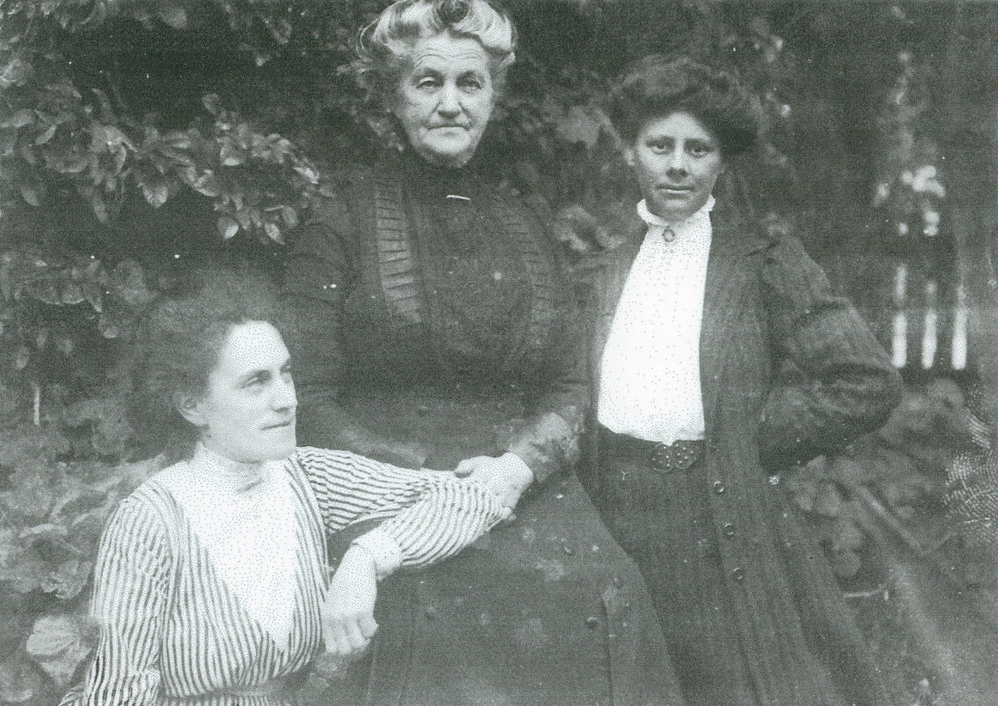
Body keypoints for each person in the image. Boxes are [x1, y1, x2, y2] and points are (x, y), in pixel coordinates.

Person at [283, 1, 680, 703]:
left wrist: (520, 467)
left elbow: (568, 383)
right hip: (387, 487)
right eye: (427, 83)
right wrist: (424, 479)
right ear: (392, 96)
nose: (450, 104)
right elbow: (305, 403)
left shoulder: (525, 224)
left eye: (470, 85)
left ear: (493, 97)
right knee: (428, 606)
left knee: (609, 586)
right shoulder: (338, 224)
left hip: (514, 483)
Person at [587, 54, 905, 705]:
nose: (677, 164)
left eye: (697, 149)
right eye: (660, 145)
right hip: (613, 521)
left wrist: (747, 438)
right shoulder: (602, 270)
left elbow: (866, 382)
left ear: (721, 163)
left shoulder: (762, 258)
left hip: (714, 521)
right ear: (631, 152)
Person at [59, 269, 510, 706]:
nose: (288, 399)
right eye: (257, 381)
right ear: (192, 405)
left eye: (287, 373)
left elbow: (476, 493)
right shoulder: (150, 521)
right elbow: (117, 696)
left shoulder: (309, 477)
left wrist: (367, 557)